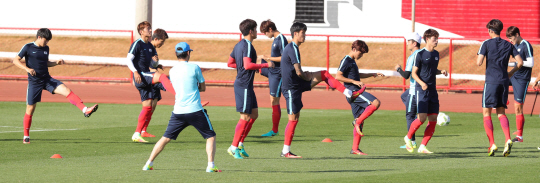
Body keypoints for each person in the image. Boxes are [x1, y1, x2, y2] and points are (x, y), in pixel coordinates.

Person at [280, 22, 365, 158]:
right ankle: (285, 151)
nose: (305, 35)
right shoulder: (293, 48)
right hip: (291, 88)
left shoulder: (293, 47)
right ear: (296, 33)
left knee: (324, 74)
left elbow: (297, 71)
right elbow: (298, 71)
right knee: (293, 119)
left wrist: (305, 75)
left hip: (297, 84)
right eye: (303, 33)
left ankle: (348, 92)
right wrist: (306, 76)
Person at [142, 42, 220, 172]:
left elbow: (177, 87)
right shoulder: (195, 67)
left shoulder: (172, 71)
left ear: (176, 54)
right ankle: (210, 165)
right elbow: (203, 88)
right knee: (210, 136)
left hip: (178, 111)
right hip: (195, 110)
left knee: (165, 138)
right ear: (188, 53)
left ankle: (148, 163)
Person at [12, 28, 98, 144]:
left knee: (66, 90)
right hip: (34, 82)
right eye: (46, 40)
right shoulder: (27, 47)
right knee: (30, 109)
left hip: (47, 79)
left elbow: (45, 62)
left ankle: (85, 110)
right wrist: (27, 69)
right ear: (39, 37)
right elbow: (15, 60)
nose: (47, 43)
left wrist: (55, 63)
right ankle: (26, 135)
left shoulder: (46, 48)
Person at [226, 19, 274, 159]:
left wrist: (242, 66)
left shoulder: (239, 44)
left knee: (254, 115)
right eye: (255, 28)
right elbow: (247, 65)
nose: (257, 31)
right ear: (251, 31)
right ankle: (233, 147)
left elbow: (230, 63)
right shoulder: (246, 46)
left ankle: (240, 144)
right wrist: (266, 66)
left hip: (245, 85)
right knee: (245, 117)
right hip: (244, 85)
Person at [477, 19, 523, 157]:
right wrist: (510, 73)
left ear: (491, 31)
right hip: (503, 82)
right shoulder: (508, 45)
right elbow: (520, 62)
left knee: (486, 114)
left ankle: (492, 144)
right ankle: (508, 139)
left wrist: (483, 57)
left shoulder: (485, 43)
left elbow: (478, 62)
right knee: (501, 113)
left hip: (491, 82)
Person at [126, 21, 176, 143]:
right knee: (164, 78)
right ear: (141, 32)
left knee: (148, 107)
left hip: (146, 77)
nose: (150, 30)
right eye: (148, 29)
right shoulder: (137, 44)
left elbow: (151, 65)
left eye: (150, 28)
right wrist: (135, 72)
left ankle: (138, 133)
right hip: (142, 76)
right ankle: (182, 96)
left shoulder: (149, 46)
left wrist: (156, 63)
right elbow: (128, 59)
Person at [403, 29, 448, 154]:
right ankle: (408, 137)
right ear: (427, 39)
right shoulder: (420, 54)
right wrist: (422, 83)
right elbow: (414, 73)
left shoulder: (436, 54)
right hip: (421, 90)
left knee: (433, 119)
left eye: (437, 39)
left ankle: (423, 146)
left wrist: (441, 71)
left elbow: (432, 70)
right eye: (435, 39)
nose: (437, 41)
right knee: (421, 118)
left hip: (432, 91)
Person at [335, 40, 384, 155]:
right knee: (376, 103)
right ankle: (357, 122)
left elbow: (357, 75)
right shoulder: (346, 60)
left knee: (360, 120)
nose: (361, 56)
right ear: (354, 49)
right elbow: (338, 76)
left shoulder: (352, 61)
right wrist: (353, 82)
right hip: (354, 92)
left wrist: (373, 74)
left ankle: (355, 149)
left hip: (355, 92)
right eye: (360, 53)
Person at [258, 19, 288, 137]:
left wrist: (269, 57)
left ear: (270, 29)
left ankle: (274, 130)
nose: (265, 35)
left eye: (265, 32)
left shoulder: (281, 39)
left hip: (277, 74)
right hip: (272, 70)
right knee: (255, 61)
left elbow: (285, 58)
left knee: (274, 100)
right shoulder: (276, 39)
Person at [505, 26, 533, 143]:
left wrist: (515, 63)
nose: (510, 40)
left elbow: (530, 63)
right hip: (515, 75)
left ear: (517, 35)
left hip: (522, 79)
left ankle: (519, 136)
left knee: (518, 107)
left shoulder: (526, 44)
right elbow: (516, 64)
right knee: (500, 80)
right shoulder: (514, 45)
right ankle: (504, 100)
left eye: (511, 38)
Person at [140, 28, 169, 138]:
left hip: (154, 77)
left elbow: (151, 64)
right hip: (149, 79)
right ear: (156, 39)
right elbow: (143, 65)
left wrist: (157, 66)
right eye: (162, 41)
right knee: (147, 107)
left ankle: (144, 130)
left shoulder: (153, 49)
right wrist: (156, 73)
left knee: (153, 106)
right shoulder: (147, 48)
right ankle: (139, 131)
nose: (162, 44)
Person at [396, 32, 422, 149]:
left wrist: (398, 69)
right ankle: (417, 112)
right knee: (403, 96)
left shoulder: (413, 56)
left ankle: (411, 141)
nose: (407, 43)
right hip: (422, 87)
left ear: (414, 43)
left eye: (409, 41)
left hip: (415, 88)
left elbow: (406, 75)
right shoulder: (423, 53)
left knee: (409, 116)